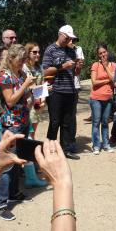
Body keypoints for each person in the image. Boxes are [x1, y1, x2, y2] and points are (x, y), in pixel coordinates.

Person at [0, 44, 38, 220]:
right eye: (19, 60)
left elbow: (23, 97)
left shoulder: (20, 74)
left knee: (17, 160)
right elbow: (10, 101)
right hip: (11, 125)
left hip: (23, 121)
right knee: (6, 164)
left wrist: (31, 95)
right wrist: (25, 85)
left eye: (23, 60)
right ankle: (0, 204)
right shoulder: (4, 76)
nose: (22, 63)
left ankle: (13, 193)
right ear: (11, 59)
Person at [42, 25, 80, 160]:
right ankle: (50, 150)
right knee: (54, 121)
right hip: (55, 91)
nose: (69, 39)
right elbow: (45, 71)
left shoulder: (71, 51)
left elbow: (75, 73)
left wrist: (78, 67)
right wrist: (61, 67)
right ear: (60, 34)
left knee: (66, 122)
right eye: (67, 37)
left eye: (70, 37)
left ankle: (65, 150)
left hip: (70, 91)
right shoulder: (50, 50)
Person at [89, 43, 116, 154]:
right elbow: (94, 82)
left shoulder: (114, 65)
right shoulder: (95, 65)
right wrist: (107, 81)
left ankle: (106, 144)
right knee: (96, 122)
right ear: (98, 55)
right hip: (96, 98)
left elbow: (114, 79)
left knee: (105, 122)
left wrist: (105, 66)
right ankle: (96, 145)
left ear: (107, 52)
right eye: (100, 53)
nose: (102, 55)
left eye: (104, 52)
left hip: (108, 98)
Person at [24, 42, 46, 136]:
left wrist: (43, 101)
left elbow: (42, 83)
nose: (38, 54)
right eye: (34, 52)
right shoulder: (24, 68)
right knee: (28, 130)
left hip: (38, 103)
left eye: (38, 52)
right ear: (28, 53)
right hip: (28, 103)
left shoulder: (39, 67)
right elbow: (30, 86)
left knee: (33, 131)